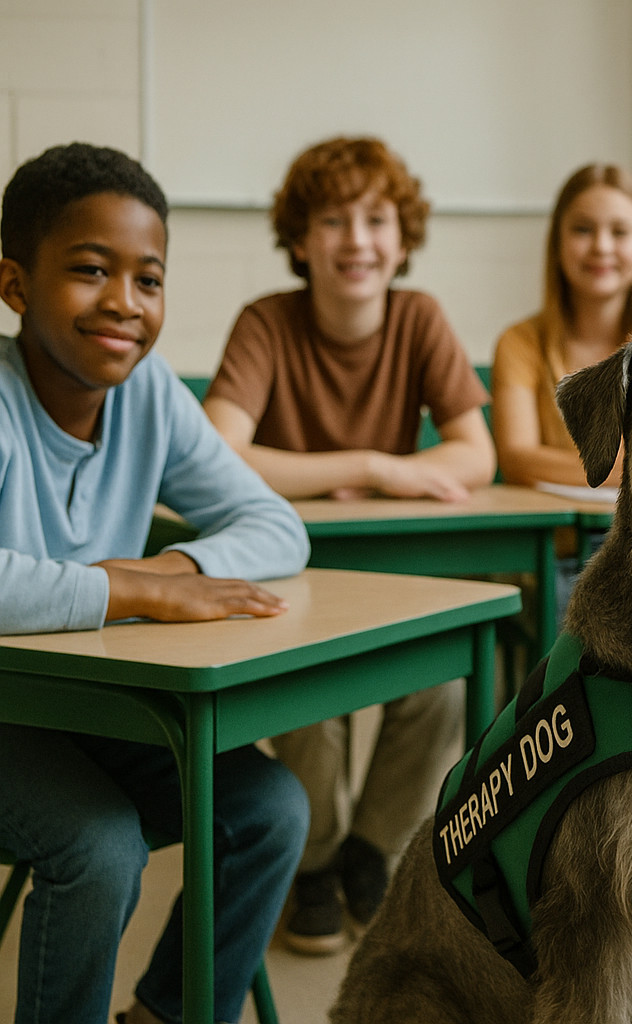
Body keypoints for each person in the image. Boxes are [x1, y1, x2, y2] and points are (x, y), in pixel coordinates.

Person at [0, 143, 310, 1024]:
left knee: (270, 809)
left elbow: (276, 526)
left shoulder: (152, 398)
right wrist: (124, 590)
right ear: (15, 286)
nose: (124, 306)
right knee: (98, 845)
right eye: (90, 271)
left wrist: (176, 571)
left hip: (86, 707)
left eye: (149, 279)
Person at [203, 136, 490, 955]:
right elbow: (219, 450)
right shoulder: (266, 321)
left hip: (395, 569)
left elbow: (476, 452)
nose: (356, 240)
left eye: (376, 219)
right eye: (332, 220)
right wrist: (370, 465)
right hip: (294, 572)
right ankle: (315, 862)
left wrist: (397, 476)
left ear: (403, 240)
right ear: (300, 240)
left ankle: (369, 849)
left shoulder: (419, 317)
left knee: (440, 679)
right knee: (312, 699)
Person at [490, 163, 632, 489]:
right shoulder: (519, 342)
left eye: (620, 232)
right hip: (562, 537)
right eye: (583, 230)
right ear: (557, 245)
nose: (601, 246)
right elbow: (517, 460)